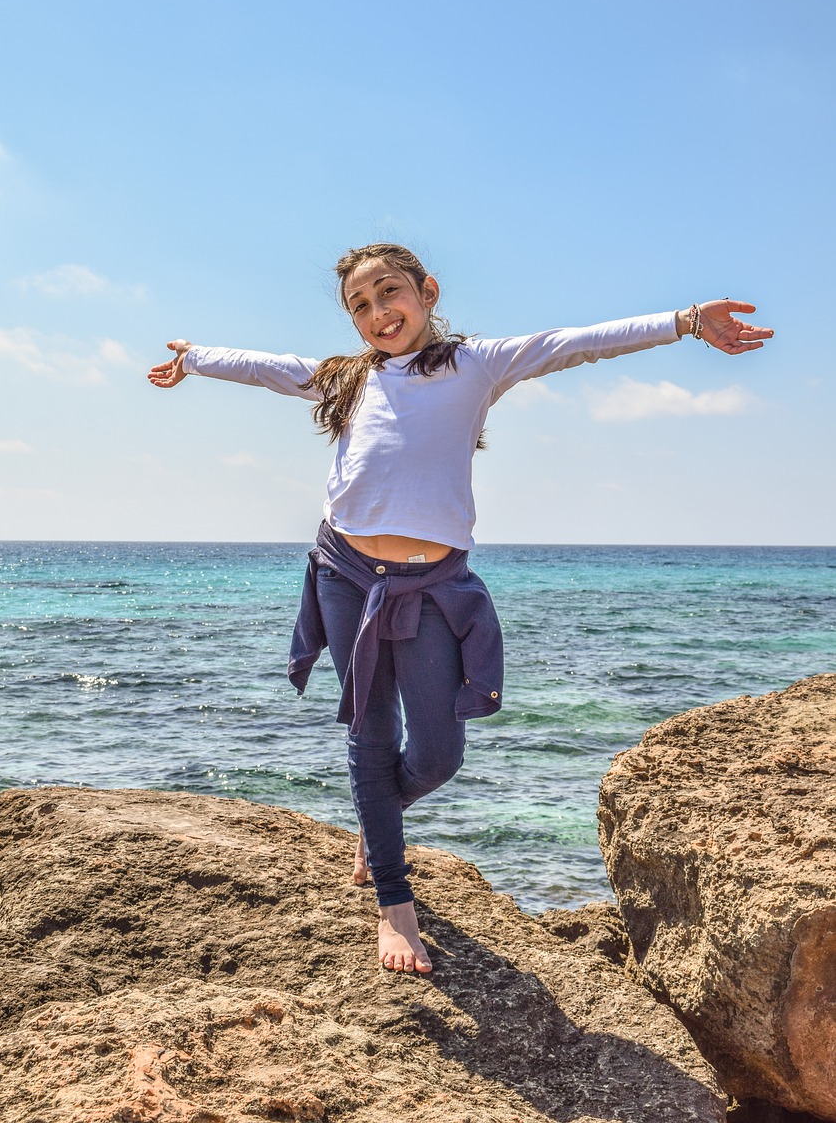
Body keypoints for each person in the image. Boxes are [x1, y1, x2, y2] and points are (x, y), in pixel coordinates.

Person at [148, 243, 773, 974]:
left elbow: (575, 344)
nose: (379, 313)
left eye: (390, 293)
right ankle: (394, 904)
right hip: (344, 570)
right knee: (370, 732)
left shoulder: (476, 363)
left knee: (438, 755)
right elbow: (267, 367)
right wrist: (195, 358)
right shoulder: (347, 377)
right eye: (360, 304)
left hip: (430, 583)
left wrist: (687, 319)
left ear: (426, 290)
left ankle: (376, 819)